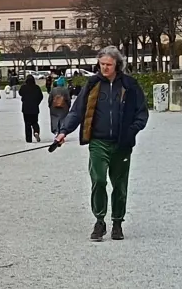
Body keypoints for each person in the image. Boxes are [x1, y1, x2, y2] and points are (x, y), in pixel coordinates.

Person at [54, 46, 149, 242]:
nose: (104, 68)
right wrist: (63, 131)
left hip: (122, 143)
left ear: (117, 65)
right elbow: (77, 111)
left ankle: (117, 222)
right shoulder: (92, 84)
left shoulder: (130, 85)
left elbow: (142, 113)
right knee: (98, 180)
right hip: (98, 141)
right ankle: (99, 220)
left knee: (120, 185)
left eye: (108, 64)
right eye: (101, 64)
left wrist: (132, 130)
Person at [19, 74, 43, 143]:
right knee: (35, 122)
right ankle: (36, 132)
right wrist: (37, 103)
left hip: (26, 109)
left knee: (27, 124)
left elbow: (20, 93)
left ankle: (29, 139)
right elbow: (41, 97)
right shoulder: (37, 87)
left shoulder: (24, 87)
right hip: (35, 108)